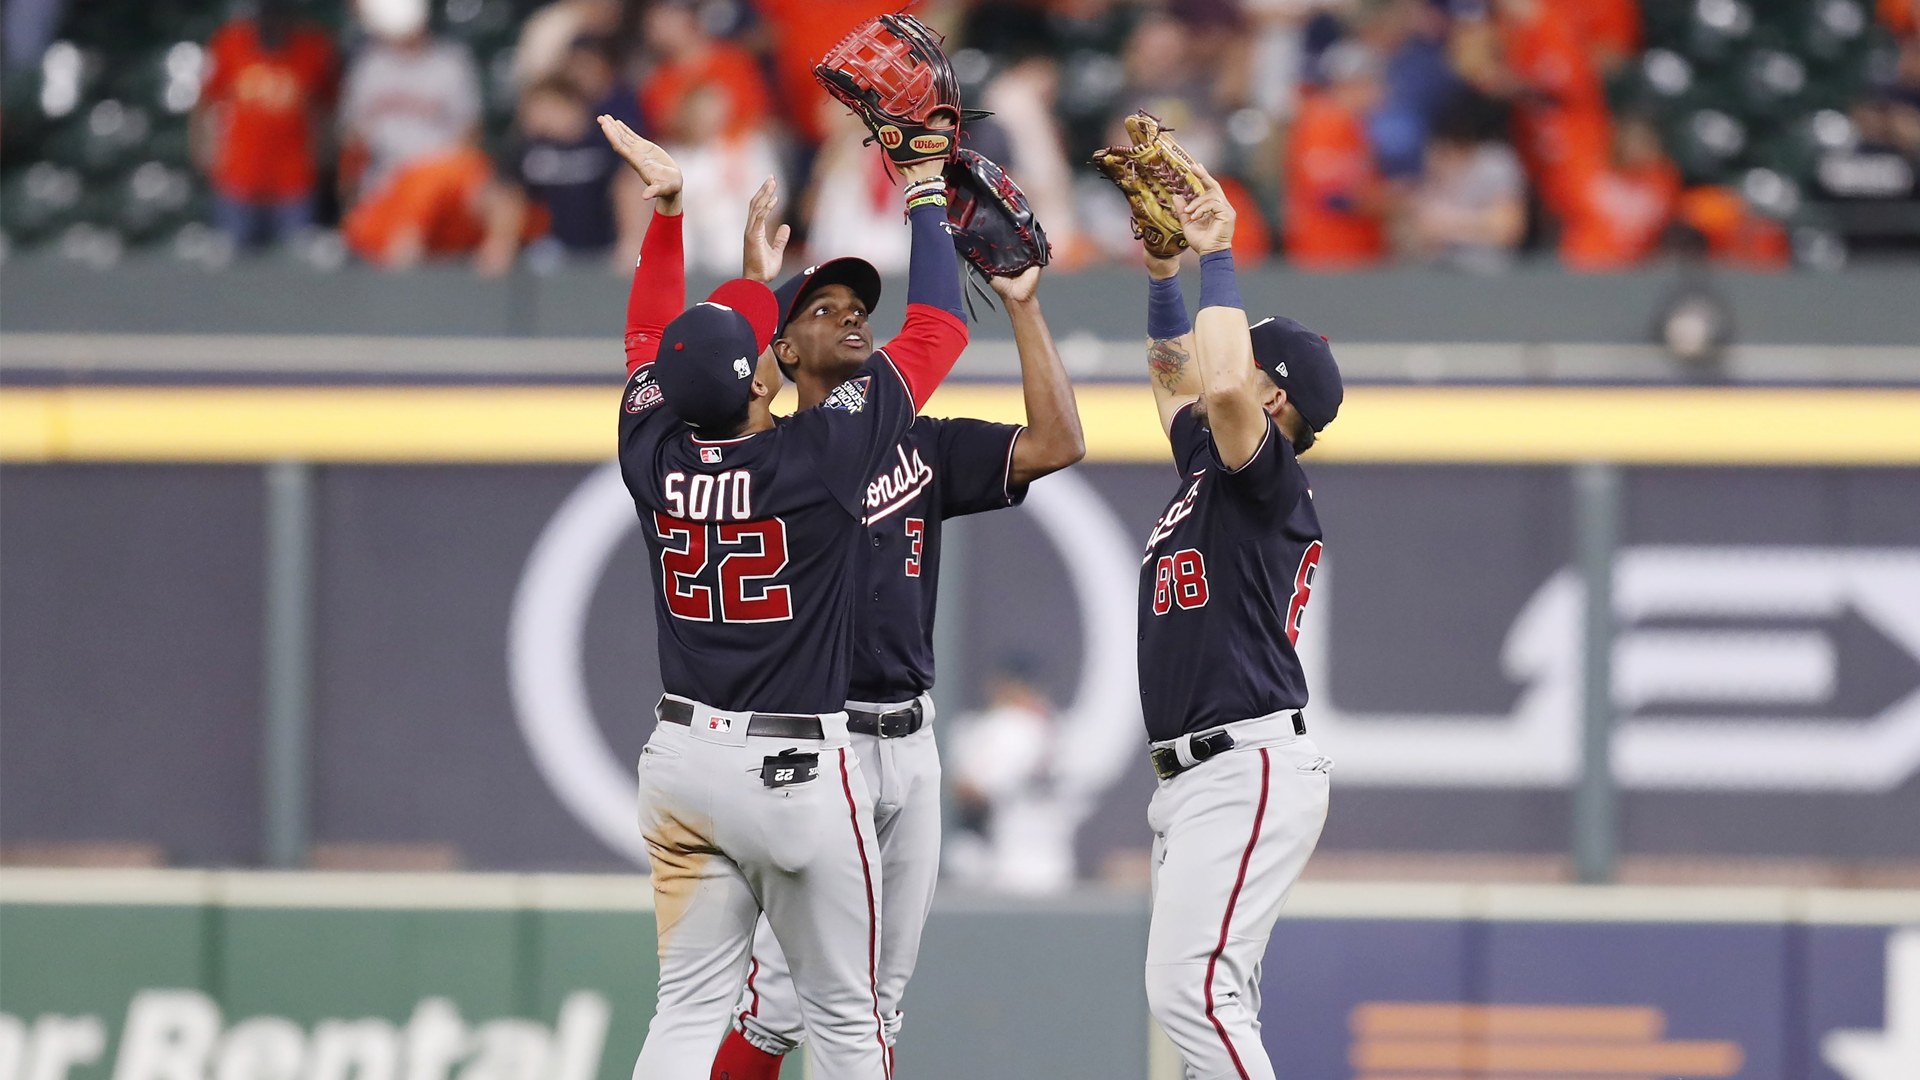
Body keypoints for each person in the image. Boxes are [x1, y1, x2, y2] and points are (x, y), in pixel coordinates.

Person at [608, 110, 968, 1080]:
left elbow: (658, 342)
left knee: (684, 1013)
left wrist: (673, 218)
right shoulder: (818, 457)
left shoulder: (650, 450)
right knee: (848, 1019)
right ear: (763, 376)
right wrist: (926, 192)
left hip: (681, 758)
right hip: (798, 772)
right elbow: (938, 326)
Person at [707, 172, 1086, 1078]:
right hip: (819, 740)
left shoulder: (915, 442)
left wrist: (1025, 306)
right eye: (823, 309)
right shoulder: (775, 456)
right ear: (783, 351)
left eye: (856, 306)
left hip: (909, 743)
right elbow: (734, 404)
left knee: (862, 1002)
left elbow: (1058, 442)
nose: (849, 317)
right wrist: (756, 294)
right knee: (790, 1006)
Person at [1134, 162, 1339, 1080]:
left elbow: (1217, 395)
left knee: (1190, 992)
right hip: (1205, 773)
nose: (1231, 364)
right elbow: (1183, 389)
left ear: (1276, 400)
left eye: (1248, 360)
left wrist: (1219, 254)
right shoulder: (1219, 471)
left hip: (1243, 762)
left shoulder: (1267, 476)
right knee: (1211, 1003)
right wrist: (1164, 278)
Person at [337, 0, 489, 267]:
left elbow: (470, 133)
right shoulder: (370, 65)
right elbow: (355, 136)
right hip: (385, 184)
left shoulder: (450, 62)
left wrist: (435, 178)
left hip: (438, 186)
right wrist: (350, 196)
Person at [639, 0, 779, 274]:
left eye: (663, 20)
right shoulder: (658, 79)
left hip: (735, 159)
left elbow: (759, 121)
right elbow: (660, 134)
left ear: (688, 21)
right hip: (686, 159)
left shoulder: (732, 63)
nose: (654, 29)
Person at [477, 54, 647, 274]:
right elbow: (507, 193)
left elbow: (627, 186)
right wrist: (499, 242)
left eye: (545, 108)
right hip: (549, 250)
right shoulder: (527, 148)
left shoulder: (603, 143)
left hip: (604, 246)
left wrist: (632, 241)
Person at [195, 0, 338, 249]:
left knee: (299, 267)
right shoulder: (229, 43)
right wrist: (204, 149)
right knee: (232, 265)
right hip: (239, 179)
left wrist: (324, 154)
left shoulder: (314, 48)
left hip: (295, 180)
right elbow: (205, 102)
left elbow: (328, 107)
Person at [947, 657, 1075, 895]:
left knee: (962, 856)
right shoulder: (1055, 726)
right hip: (1053, 862)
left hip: (1009, 864)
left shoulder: (1008, 726)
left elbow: (973, 791)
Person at [1283, 40, 1386, 270]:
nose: (1378, 91)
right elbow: (1332, 197)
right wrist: (1393, 203)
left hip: (1356, 253)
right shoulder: (1323, 122)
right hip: (1326, 254)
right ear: (1349, 84)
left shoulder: (1355, 124)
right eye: (1372, 82)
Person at [1409, 91, 1526, 272]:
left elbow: (1508, 229)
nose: (1437, 157)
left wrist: (1447, 224)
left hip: (1490, 272)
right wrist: (1481, 224)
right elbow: (1421, 231)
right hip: (1441, 273)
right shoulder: (1433, 167)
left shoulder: (1495, 163)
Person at [1558, 113, 1680, 270]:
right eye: (1632, 140)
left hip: (1637, 269)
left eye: (1644, 140)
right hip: (1587, 264)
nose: (1638, 147)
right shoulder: (1588, 173)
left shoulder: (1664, 179)